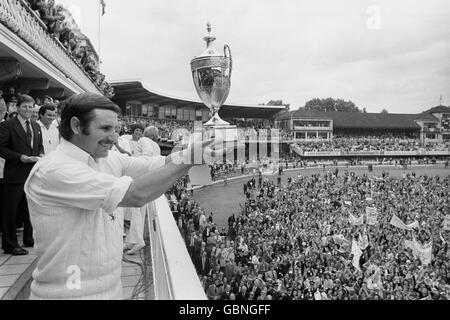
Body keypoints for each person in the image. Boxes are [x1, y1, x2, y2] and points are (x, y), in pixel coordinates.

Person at [24, 93, 226, 299]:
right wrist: (189, 159)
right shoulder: (55, 170)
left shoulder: (106, 157)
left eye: (115, 129)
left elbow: (153, 164)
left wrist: (190, 153)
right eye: (105, 128)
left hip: (111, 288)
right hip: (67, 294)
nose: (113, 137)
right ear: (76, 126)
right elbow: (136, 194)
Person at [0, 94, 44, 255]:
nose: (28, 109)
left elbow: (39, 147)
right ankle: (10, 244)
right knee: (10, 212)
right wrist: (20, 157)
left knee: (30, 209)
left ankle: (29, 239)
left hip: (32, 174)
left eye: (31, 107)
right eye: (25, 106)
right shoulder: (7, 126)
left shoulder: (36, 126)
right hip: (15, 174)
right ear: (18, 107)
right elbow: (1, 148)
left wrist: (41, 155)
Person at [124, 125, 161, 255]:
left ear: (146, 133)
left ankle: (138, 240)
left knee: (136, 210)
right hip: (149, 180)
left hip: (141, 178)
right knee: (138, 210)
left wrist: (134, 163)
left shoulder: (144, 141)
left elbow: (147, 156)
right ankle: (132, 240)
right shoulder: (156, 145)